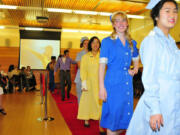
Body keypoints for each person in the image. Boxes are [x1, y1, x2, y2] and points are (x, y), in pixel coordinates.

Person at [126, 0, 180, 134]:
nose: (172, 15)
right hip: (159, 101)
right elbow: (150, 78)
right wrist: (155, 110)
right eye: (167, 11)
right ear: (156, 16)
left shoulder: (171, 42)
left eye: (175, 11)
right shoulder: (152, 41)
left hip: (173, 98)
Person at [99, 11, 139, 135]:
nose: (120, 23)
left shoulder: (132, 43)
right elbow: (101, 66)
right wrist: (101, 87)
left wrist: (135, 68)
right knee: (113, 118)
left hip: (126, 82)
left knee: (125, 117)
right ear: (113, 24)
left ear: (127, 23)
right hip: (112, 82)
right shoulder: (107, 41)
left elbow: (136, 58)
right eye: (117, 21)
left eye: (123, 20)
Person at [77, 36, 105, 134]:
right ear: (90, 45)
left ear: (99, 44)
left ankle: (101, 126)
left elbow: (106, 70)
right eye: (93, 42)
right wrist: (83, 83)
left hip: (100, 84)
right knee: (87, 103)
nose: (95, 44)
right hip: (88, 84)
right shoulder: (85, 57)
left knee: (100, 105)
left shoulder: (103, 56)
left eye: (97, 42)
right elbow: (83, 71)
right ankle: (86, 119)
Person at [74, 36, 89, 104]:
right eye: (85, 43)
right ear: (82, 45)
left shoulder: (93, 53)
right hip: (80, 77)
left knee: (88, 97)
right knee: (80, 96)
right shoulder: (79, 54)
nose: (86, 45)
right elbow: (80, 66)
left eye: (88, 43)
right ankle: (80, 113)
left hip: (90, 78)